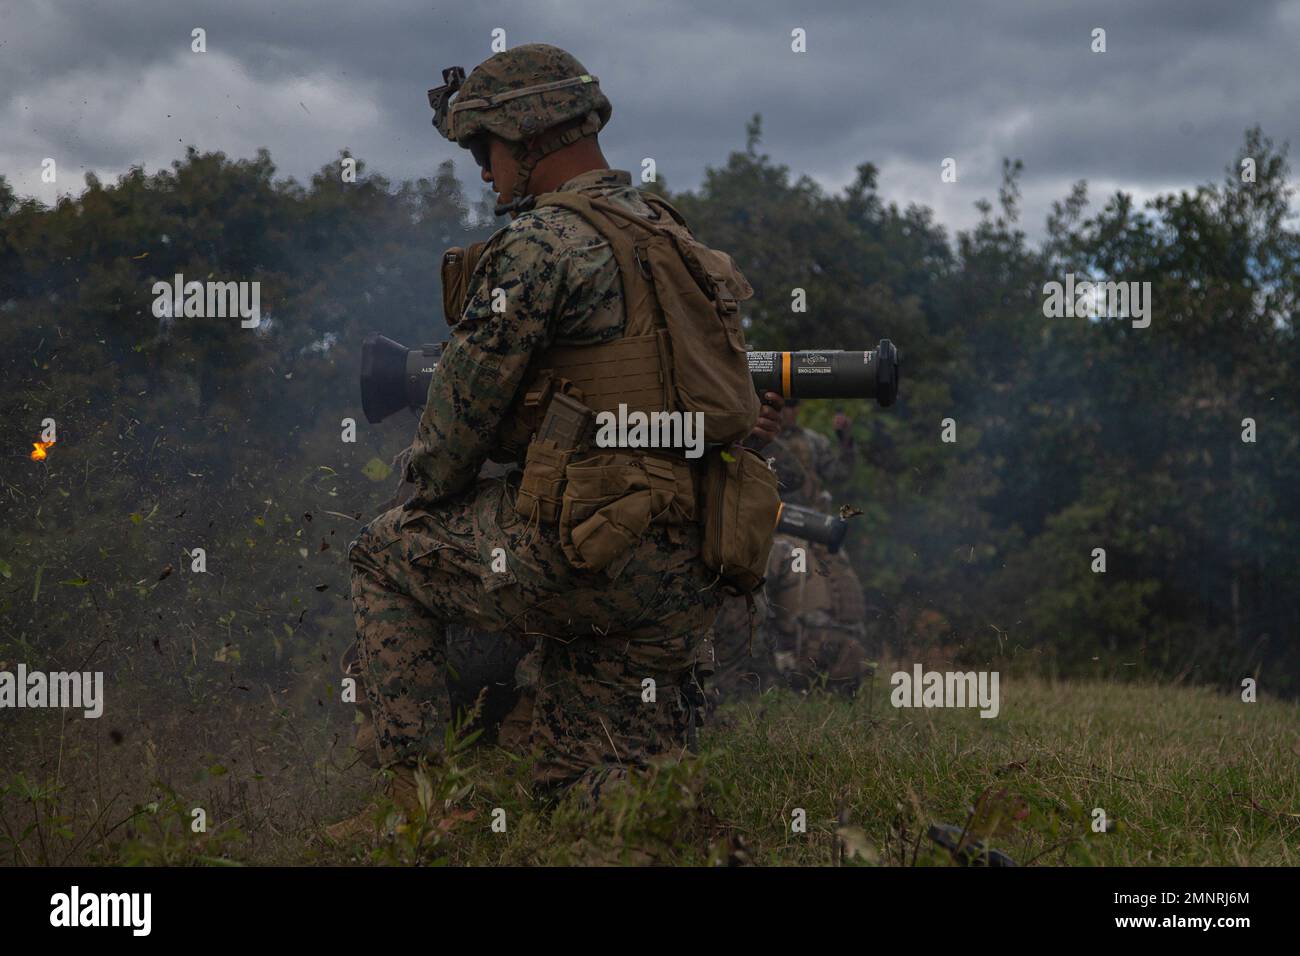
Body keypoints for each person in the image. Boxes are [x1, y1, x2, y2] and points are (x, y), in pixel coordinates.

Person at [328, 43, 779, 840]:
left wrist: (431, 490)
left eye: (484, 148)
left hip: (583, 551)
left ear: (529, 135)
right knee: (579, 783)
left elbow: (451, 435)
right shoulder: (669, 235)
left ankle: (414, 813)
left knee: (383, 552)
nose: (481, 170)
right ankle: (678, 832)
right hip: (694, 556)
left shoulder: (538, 245)